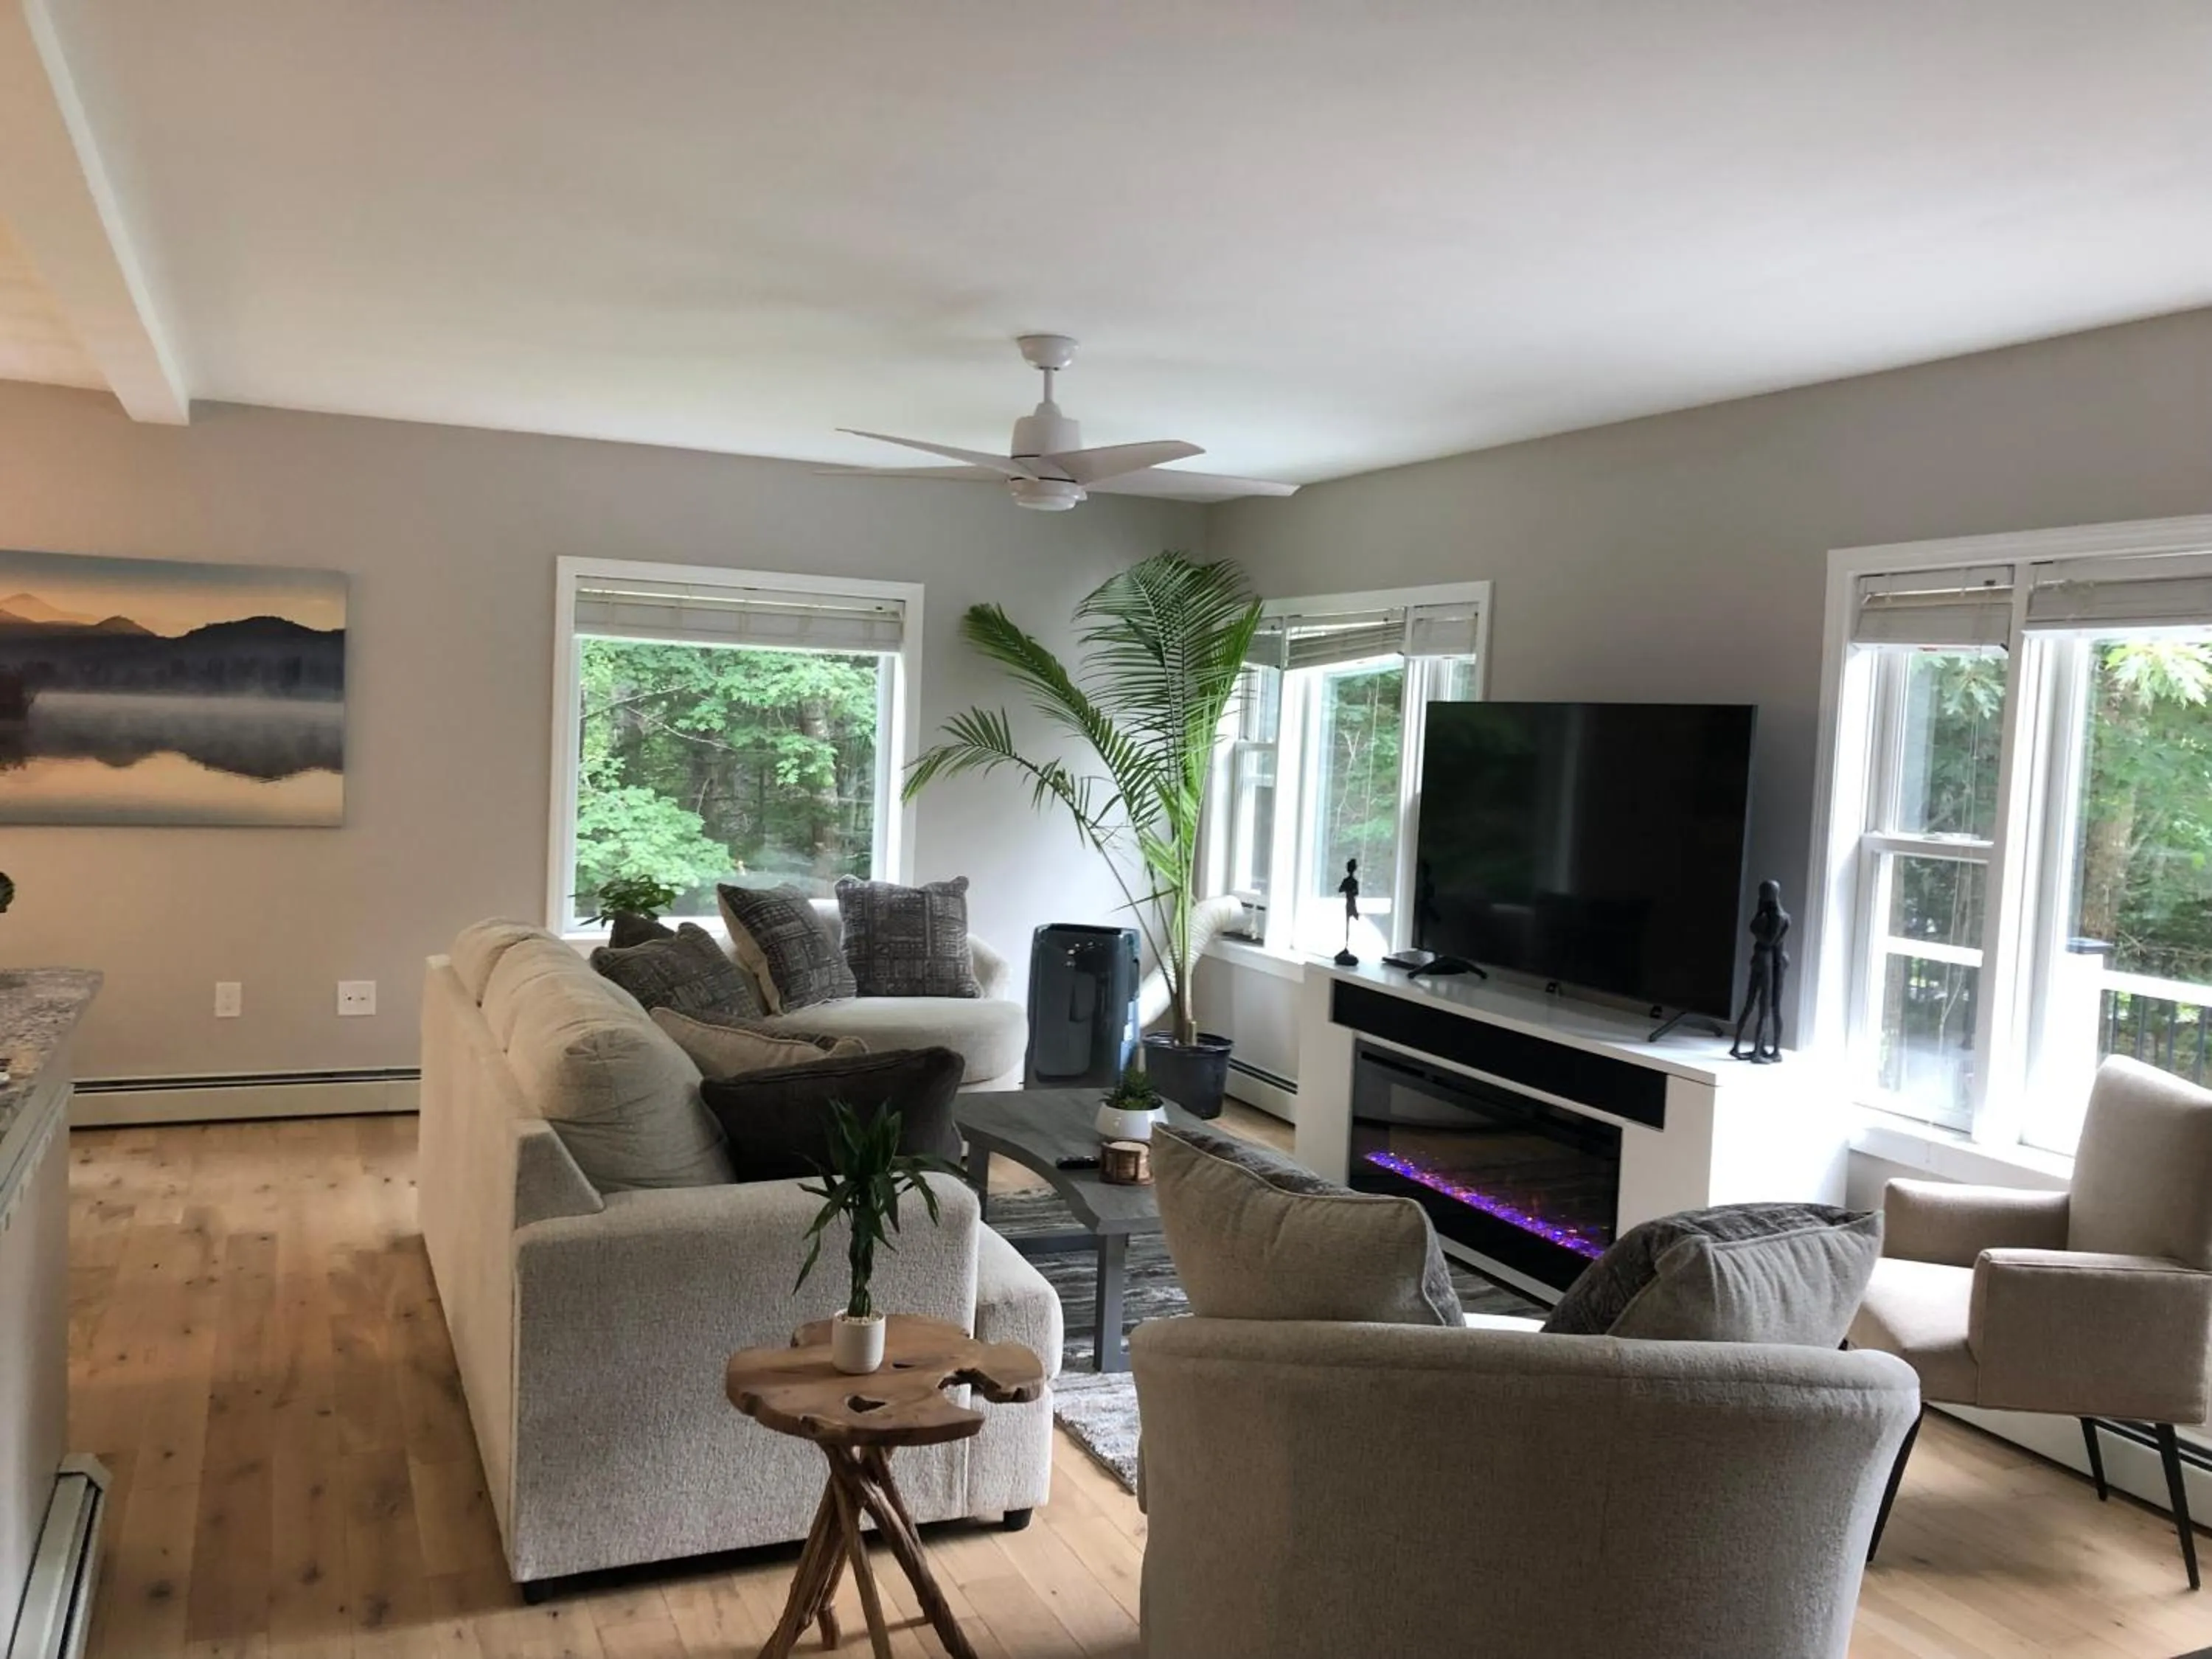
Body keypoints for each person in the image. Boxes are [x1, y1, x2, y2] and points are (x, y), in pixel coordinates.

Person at [1730, 879, 1790, 1063]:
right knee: (1753, 1004)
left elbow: (1770, 942)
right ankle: (1742, 1047)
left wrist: (1755, 929)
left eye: (1764, 893)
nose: (1761, 897)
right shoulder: (1767, 913)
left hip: (1774, 964)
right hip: (1763, 961)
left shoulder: (1779, 917)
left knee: (1771, 1007)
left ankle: (1766, 1050)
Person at [1335, 859, 1361, 967]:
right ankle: (1346, 945)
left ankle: (1349, 945)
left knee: (1352, 923)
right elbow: (1342, 890)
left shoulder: (1351, 881)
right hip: (1350, 903)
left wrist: (1348, 890)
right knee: (1349, 924)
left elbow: (1353, 892)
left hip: (1351, 903)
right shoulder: (1352, 881)